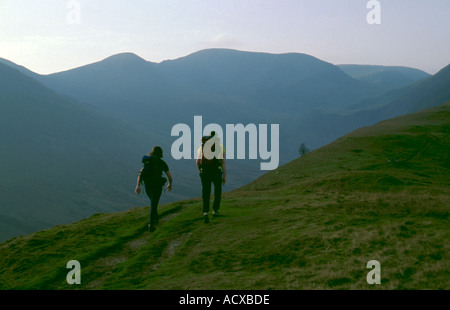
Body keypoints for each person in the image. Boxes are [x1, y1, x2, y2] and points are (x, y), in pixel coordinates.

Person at [135, 146, 172, 232]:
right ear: (161, 154)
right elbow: (169, 176)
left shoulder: (147, 162)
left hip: (147, 185)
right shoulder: (162, 163)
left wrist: (138, 186)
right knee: (154, 204)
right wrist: (170, 184)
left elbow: (140, 174)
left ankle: (155, 219)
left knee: (153, 202)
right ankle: (151, 224)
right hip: (157, 185)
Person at [196, 131, 226, 224]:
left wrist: (201, 170)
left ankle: (205, 212)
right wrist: (224, 175)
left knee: (206, 191)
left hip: (205, 172)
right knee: (217, 190)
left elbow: (197, 161)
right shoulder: (220, 147)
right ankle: (215, 210)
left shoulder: (202, 146)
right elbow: (223, 162)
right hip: (216, 171)